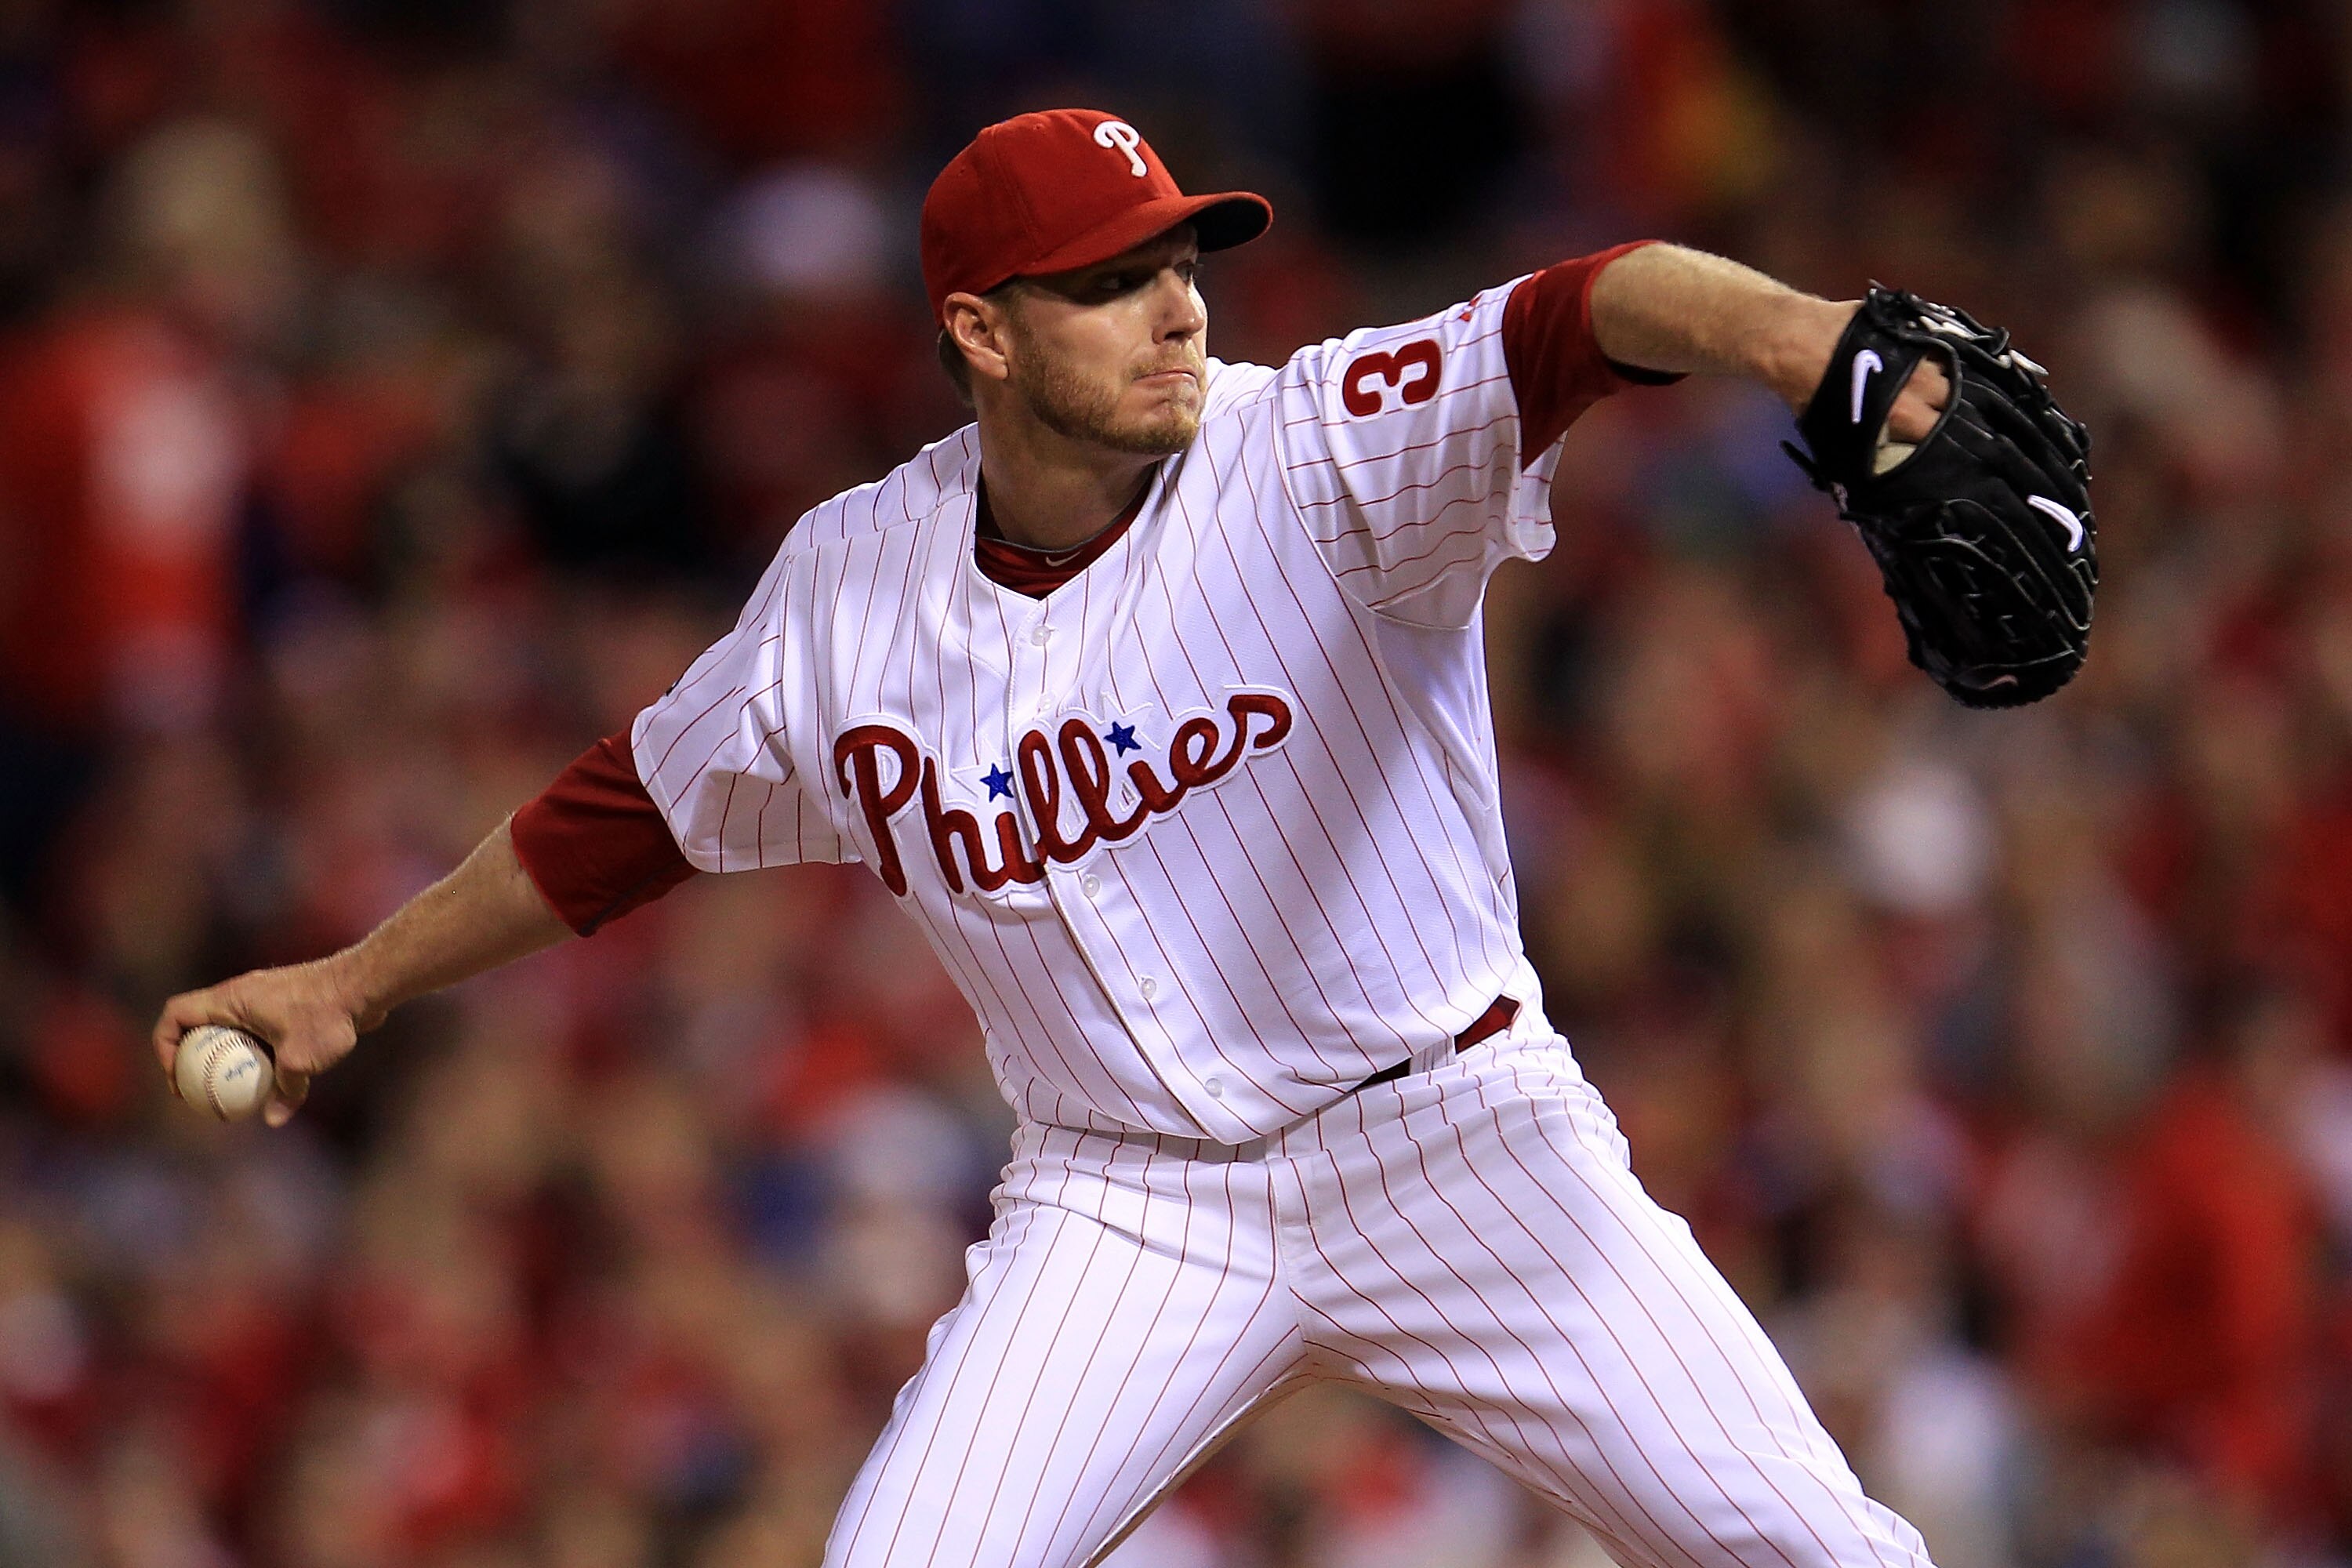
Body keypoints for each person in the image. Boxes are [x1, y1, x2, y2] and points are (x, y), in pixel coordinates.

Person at [157, 109, 1955, 1568]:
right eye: (1111, 282)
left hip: (1456, 1141)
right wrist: (353, 983)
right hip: (1128, 1201)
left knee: (1812, 1549)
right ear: (981, 332)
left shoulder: (1314, 447)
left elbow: (1590, 306)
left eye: (1181, 264)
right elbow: (621, 818)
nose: (1177, 310)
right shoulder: (852, 589)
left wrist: (1806, 342)